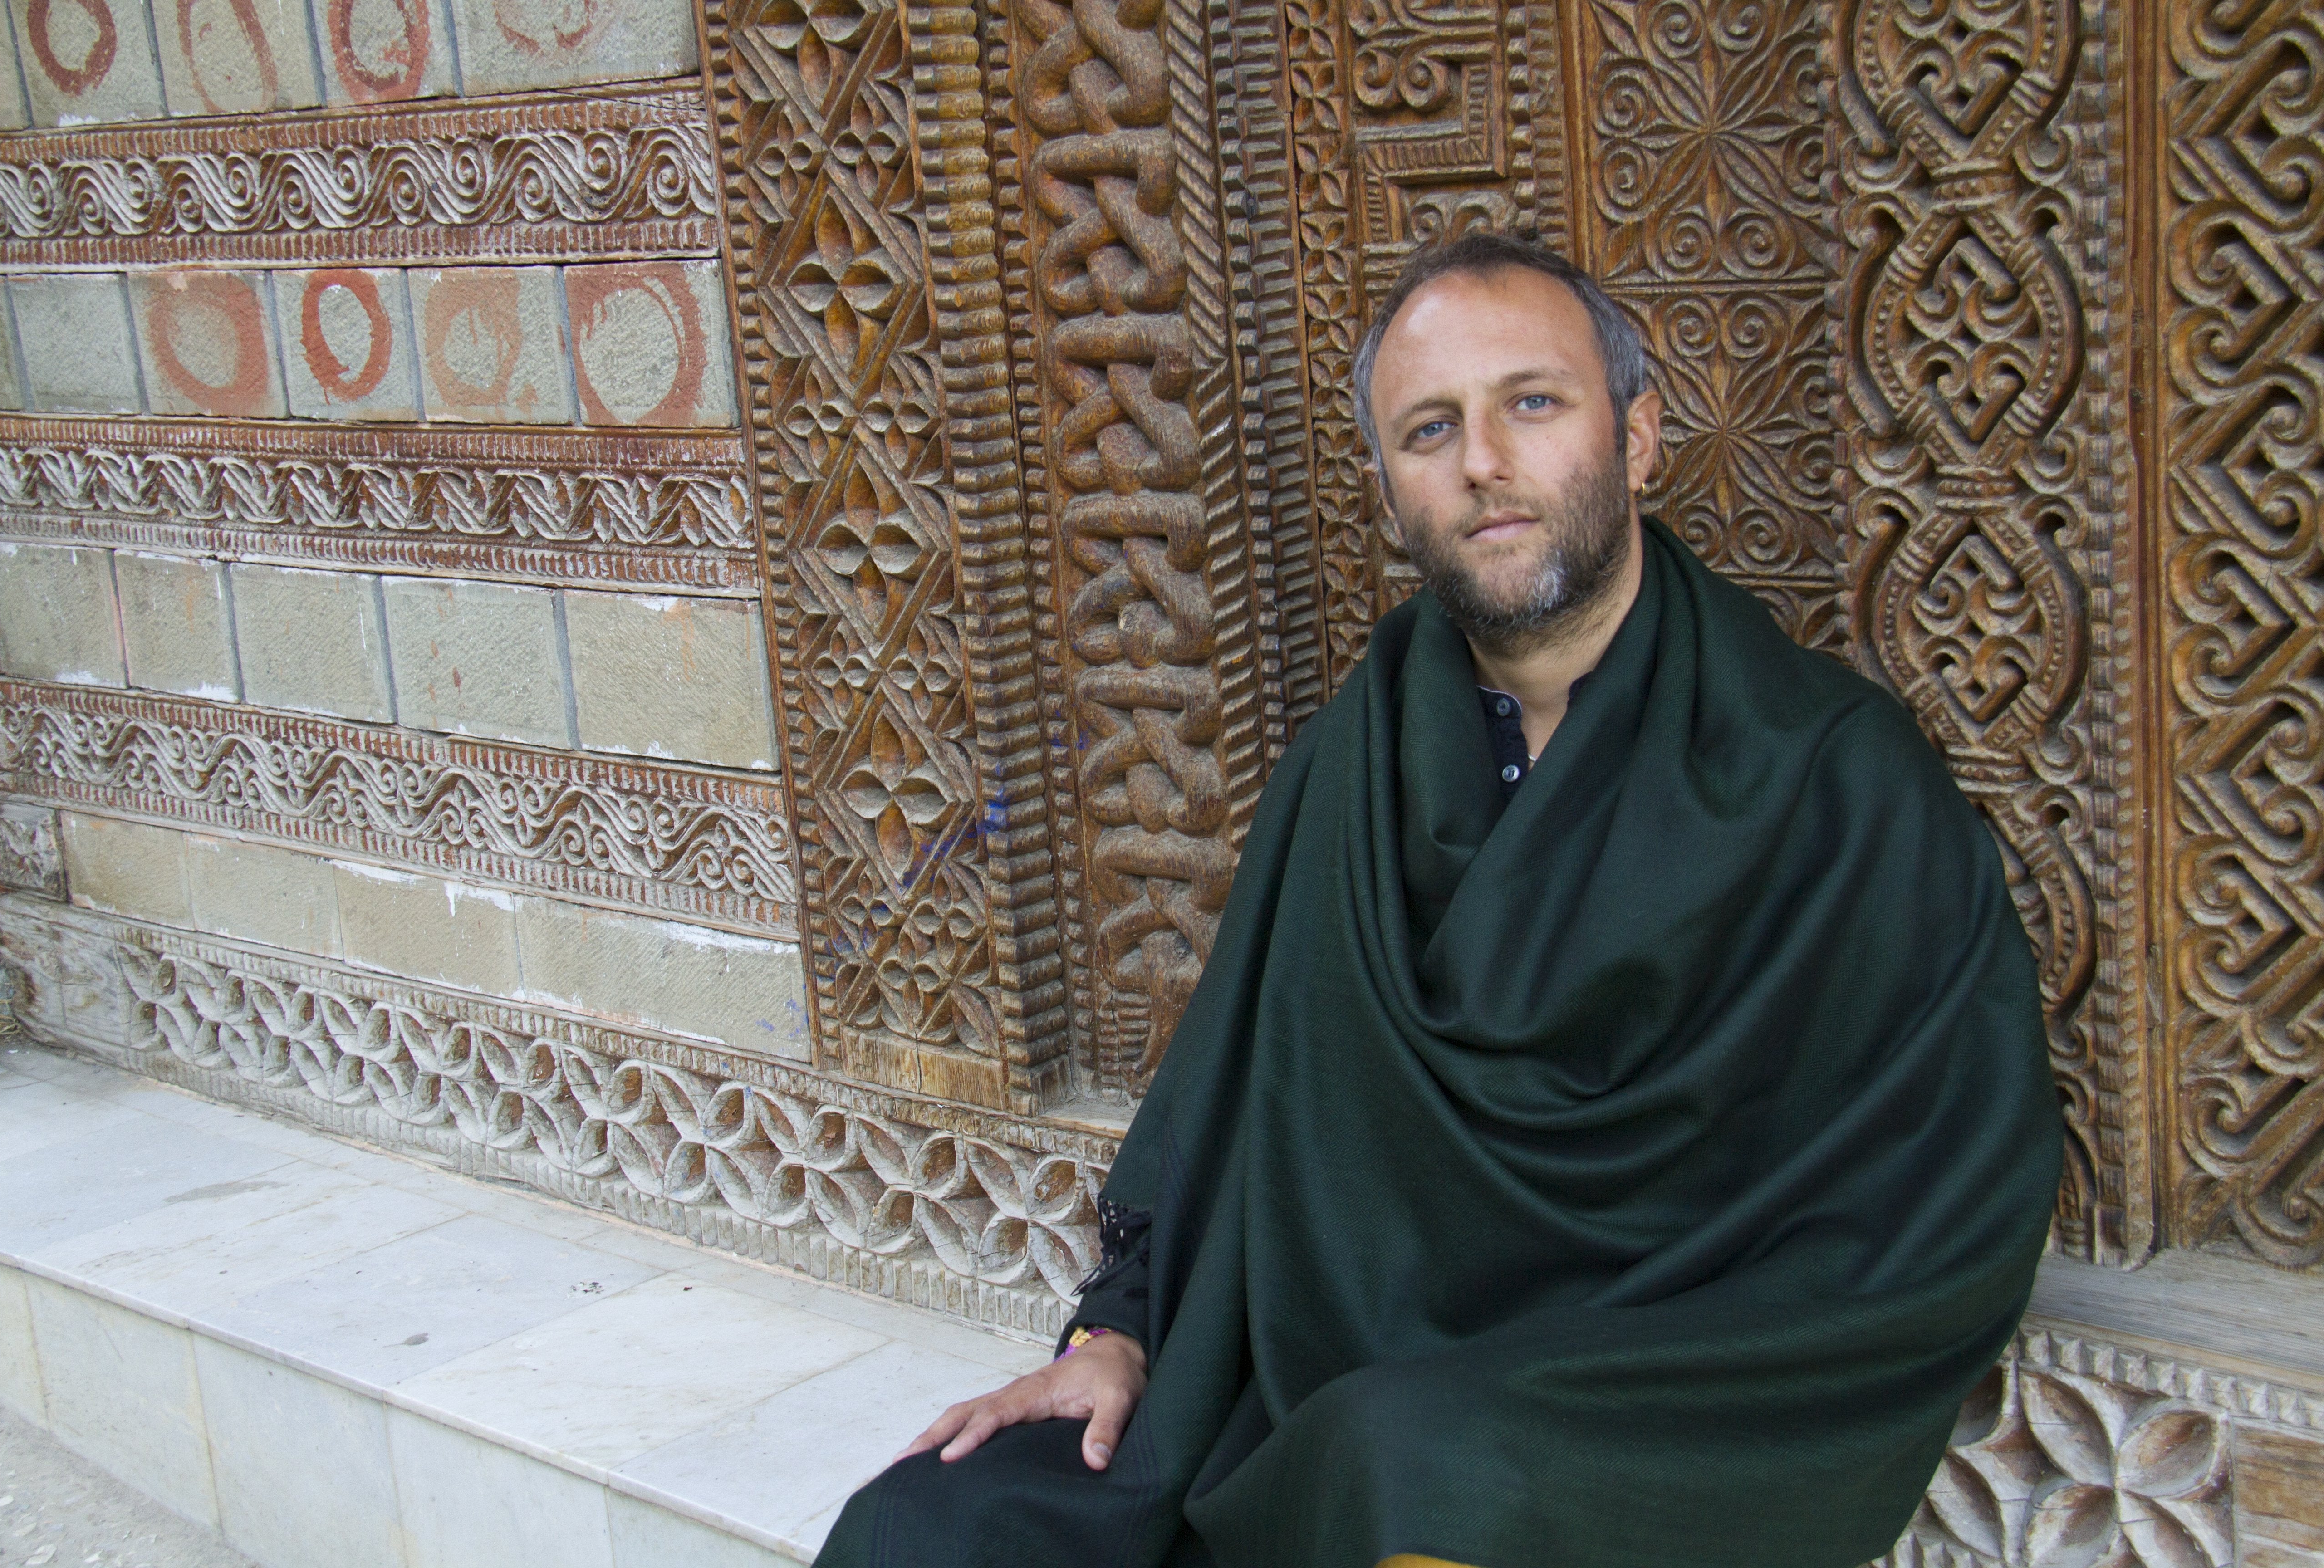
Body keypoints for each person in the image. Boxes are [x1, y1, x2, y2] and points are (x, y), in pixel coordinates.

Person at [814, 231, 2063, 1568]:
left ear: (1638, 437)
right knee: (929, 1526)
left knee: (1415, 1473)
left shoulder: (1825, 774)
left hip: (1630, 1400)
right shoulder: (1346, 771)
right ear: (1390, 487)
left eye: (1534, 403)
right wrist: (1115, 1335)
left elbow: (1942, 1179)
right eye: (1430, 429)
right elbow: (1228, 1099)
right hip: (1303, 1381)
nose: (1482, 463)